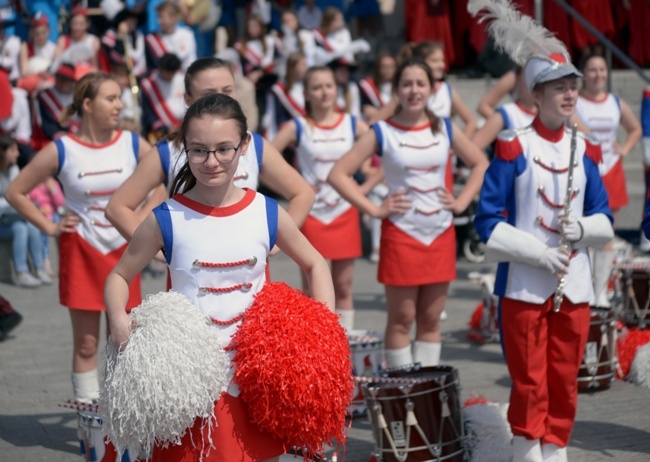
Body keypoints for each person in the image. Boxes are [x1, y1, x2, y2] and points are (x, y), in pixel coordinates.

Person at [104, 92, 334, 461]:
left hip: (255, 376)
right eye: (199, 151)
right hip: (189, 380)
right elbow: (118, 276)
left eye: (224, 149)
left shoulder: (265, 211)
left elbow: (316, 263)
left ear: (244, 146)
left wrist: (321, 332)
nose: (211, 162)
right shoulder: (166, 216)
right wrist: (118, 320)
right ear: (185, 149)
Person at [469, 1, 614, 460]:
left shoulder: (586, 149)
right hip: (526, 284)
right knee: (529, 375)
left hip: (573, 283)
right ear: (536, 94)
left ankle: (557, 446)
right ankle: (528, 447)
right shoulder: (514, 147)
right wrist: (536, 253)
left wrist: (583, 229)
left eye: (573, 86)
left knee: (564, 373)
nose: (570, 94)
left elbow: (606, 219)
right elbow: (486, 224)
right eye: (559, 87)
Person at [328, 58, 487, 365]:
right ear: (396, 89)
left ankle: (424, 396)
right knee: (401, 318)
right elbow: (338, 174)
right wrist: (374, 209)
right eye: (407, 84)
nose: (414, 90)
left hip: (440, 232)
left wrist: (462, 201)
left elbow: (480, 162)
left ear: (431, 89)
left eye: (420, 84)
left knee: (430, 318)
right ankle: (402, 399)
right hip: (401, 233)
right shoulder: (382, 131)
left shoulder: (446, 128)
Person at [5, 73, 151, 403]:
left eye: (119, 98)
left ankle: (126, 421)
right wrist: (51, 227)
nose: (119, 105)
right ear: (87, 104)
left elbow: (168, 176)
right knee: (86, 344)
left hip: (126, 252)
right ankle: (91, 428)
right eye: (110, 99)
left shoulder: (131, 142)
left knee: (127, 340)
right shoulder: (62, 149)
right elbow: (16, 192)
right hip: (81, 249)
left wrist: (142, 216)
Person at [105, 57, 314, 243]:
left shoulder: (252, 144)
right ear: (187, 99)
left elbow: (302, 193)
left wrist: (277, 243)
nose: (221, 98)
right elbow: (117, 208)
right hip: (190, 282)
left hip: (252, 279)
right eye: (209, 93)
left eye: (227, 90)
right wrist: (159, 253)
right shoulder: (169, 151)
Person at [272, 65, 370, 331]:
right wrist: (293, 186)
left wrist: (366, 184)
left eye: (329, 85)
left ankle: (344, 344)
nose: (324, 92)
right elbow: (264, 156)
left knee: (344, 285)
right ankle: (315, 344)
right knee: (311, 285)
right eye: (316, 87)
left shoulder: (353, 124)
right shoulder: (297, 126)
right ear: (305, 93)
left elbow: (383, 153)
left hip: (343, 210)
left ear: (336, 89)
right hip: (312, 213)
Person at [575, 53, 641, 307]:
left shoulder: (615, 102)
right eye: (592, 70)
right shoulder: (575, 101)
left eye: (602, 69)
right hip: (586, 169)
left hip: (611, 169)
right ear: (583, 73)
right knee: (585, 233)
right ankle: (583, 287)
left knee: (606, 233)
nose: (598, 75)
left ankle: (600, 290)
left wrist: (624, 150)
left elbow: (635, 128)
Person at [369, 41, 476, 137]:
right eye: (434, 61)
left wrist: (455, 149)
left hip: (442, 157)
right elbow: (373, 124)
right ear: (421, 62)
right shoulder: (408, 95)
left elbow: (471, 121)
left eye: (442, 60)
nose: (441, 65)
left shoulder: (446, 90)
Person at [0, 135, 50, 287]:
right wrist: (13, 203)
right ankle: (21, 272)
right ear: (2, 152)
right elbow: (13, 199)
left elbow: (22, 195)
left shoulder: (14, 169)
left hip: (13, 218)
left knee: (30, 226)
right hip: (3, 221)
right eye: (13, 150)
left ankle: (39, 268)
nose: (18, 154)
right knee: (21, 228)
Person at [471, 67, 537, 152]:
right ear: (519, 78)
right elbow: (483, 106)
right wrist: (502, 124)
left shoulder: (549, 115)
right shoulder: (508, 113)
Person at [31, 63, 78, 151]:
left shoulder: (77, 97)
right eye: (59, 77)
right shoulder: (45, 96)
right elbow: (45, 125)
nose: (61, 81)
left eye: (65, 79)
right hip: (53, 141)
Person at [140, 53, 185, 139]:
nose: (168, 76)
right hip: (161, 132)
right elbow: (147, 112)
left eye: (171, 73)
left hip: (182, 127)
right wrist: (164, 128)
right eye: (166, 72)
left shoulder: (183, 79)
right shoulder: (149, 84)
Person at [265, 52, 306, 141]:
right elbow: (274, 116)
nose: (305, 68)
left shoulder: (305, 86)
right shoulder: (279, 90)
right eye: (302, 65)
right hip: (287, 135)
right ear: (292, 67)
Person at [145, 1, 196, 71]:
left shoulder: (187, 34)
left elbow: (189, 61)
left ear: (174, 17)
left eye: (162, 17)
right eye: (158, 17)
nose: (158, 21)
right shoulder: (152, 39)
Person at [359, 52, 396, 121]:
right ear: (378, 68)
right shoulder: (368, 86)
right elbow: (367, 110)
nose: (387, 70)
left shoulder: (400, 87)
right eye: (384, 67)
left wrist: (379, 113)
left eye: (391, 67)